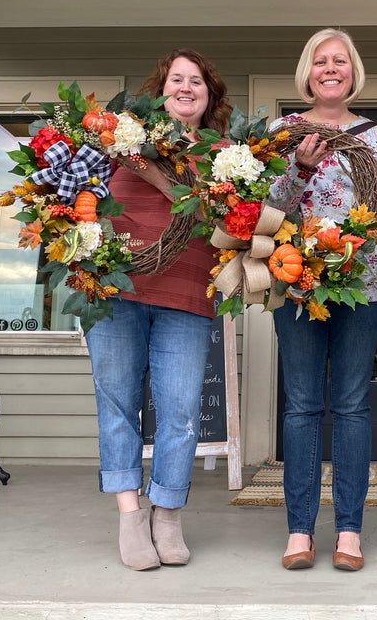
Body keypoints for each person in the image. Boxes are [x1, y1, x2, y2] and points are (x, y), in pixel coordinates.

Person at [84, 49, 232, 570]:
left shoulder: (226, 155)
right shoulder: (122, 138)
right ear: (160, 88)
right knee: (118, 403)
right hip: (115, 291)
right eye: (177, 79)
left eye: (197, 81)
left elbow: (238, 221)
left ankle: (167, 513)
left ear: (209, 96)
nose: (187, 87)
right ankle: (129, 513)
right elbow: (77, 192)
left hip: (187, 296)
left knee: (180, 412)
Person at [267, 28, 377, 571]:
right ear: (307, 71)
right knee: (301, 405)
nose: (330, 69)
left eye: (339, 61)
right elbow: (264, 208)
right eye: (320, 61)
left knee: (351, 405)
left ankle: (349, 530)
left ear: (353, 71)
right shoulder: (281, 132)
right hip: (296, 282)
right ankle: (299, 531)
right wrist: (297, 167)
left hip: (363, 284)